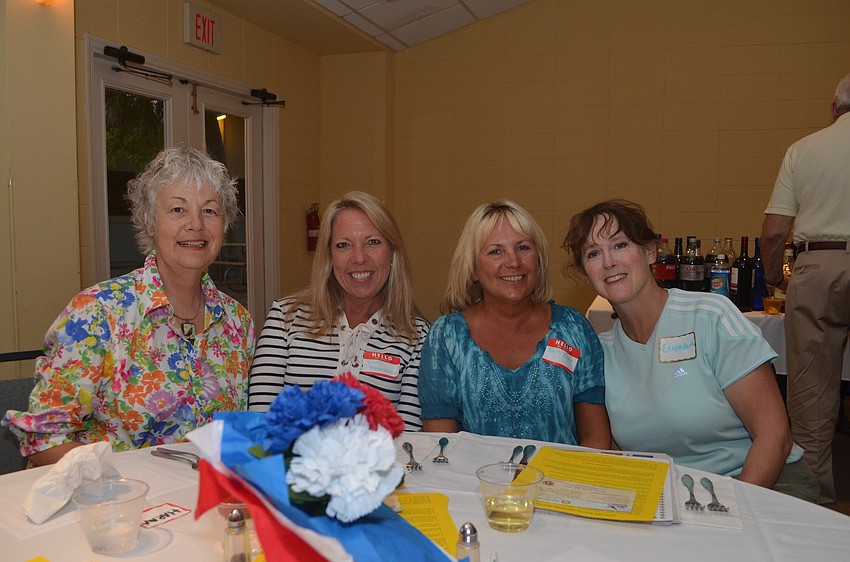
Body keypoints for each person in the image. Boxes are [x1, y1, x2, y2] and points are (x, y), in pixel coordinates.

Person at [2, 147, 255, 466]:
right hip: (112, 493)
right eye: (178, 209)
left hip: (207, 492)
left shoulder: (238, 322)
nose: (196, 224)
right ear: (150, 223)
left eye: (210, 211)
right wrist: (122, 482)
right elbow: (43, 438)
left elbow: (245, 429)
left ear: (224, 224)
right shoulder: (97, 313)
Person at [564, 199, 818, 501]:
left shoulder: (710, 317)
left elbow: (775, 435)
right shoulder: (601, 353)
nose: (609, 262)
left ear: (650, 252)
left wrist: (731, 511)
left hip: (761, 484)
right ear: (586, 273)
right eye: (593, 253)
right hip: (674, 498)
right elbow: (616, 453)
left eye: (620, 245)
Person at [419, 200, 611, 447]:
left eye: (523, 248)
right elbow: (441, 444)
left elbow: (595, 438)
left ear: (538, 260)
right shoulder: (446, 337)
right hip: (472, 473)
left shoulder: (573, 328)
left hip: (563, 473)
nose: (513, 262)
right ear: (473, 268)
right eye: (495, 251)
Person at [247, 191, 428, 430]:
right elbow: (259, 425)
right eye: (343, 245)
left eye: (373, 242)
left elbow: (410, 440)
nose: (359, 258)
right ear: (329, 257)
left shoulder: (417, 337)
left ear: (392, 253)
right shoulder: (285, 318)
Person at [760, 73, 850, 505]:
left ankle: (815, 504)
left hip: (819, 265)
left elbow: (775, 231)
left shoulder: (804, 149)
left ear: (834, 108)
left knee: (812, 395)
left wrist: (775, 277)